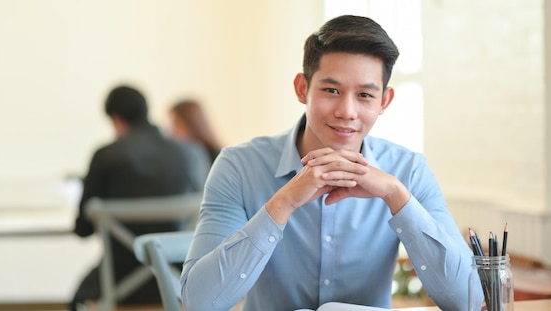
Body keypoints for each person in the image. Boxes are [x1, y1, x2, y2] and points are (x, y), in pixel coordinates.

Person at [180, 15, 481, 311]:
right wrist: (282, 203)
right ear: (302, 89)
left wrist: (396, 196)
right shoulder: (239, 166)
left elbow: (467, 302)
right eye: (331, 90)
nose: (347, 111)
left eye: (364, 95)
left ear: (384, 102)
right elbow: (199, 303)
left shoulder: (408, 170)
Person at [70, 85, 207, 310]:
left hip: (119, 286)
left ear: (115, 118)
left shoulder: (106, 155)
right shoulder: (190, 153)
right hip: (178, 283)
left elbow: (83, 229)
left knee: (78, 299)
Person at [169, 98, 222, 162]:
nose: (172, 129)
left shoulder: (218, 158)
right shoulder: (180, 154)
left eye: (176, 122)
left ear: (192, 123)